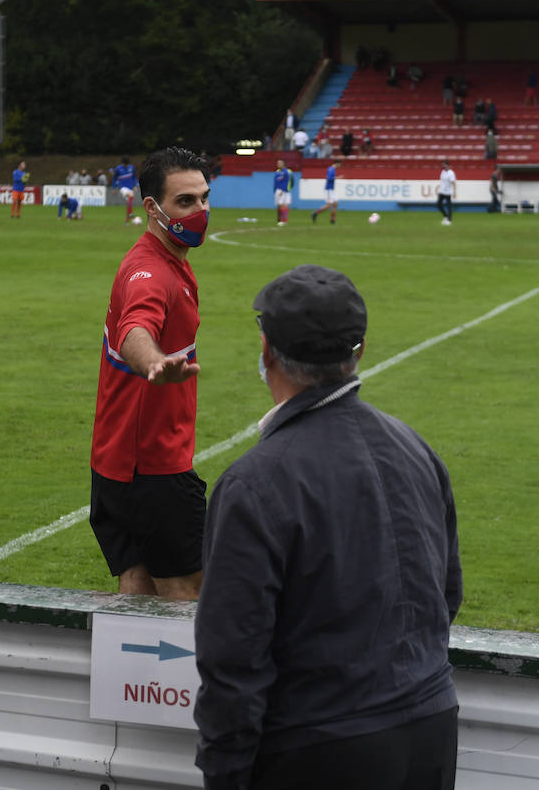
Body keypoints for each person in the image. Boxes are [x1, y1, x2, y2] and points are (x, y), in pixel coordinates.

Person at [194, 264, 462, 790]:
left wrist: (225, 771)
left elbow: (232, 656)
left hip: (320, 744)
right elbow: (444, 595)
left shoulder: (255, 482)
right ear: (358, 352)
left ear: (267, 351)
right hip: (429, 728)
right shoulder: (415, 447)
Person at [89, 147, 211, 600]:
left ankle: (127, 655)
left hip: (115, 460)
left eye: (204, 198)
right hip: (154, 465)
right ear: (152, 208)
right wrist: (154, 363)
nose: (200, 211)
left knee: (137, 583)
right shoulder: (150, 271)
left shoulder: (160, 259)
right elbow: (134, 330)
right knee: (186, 590)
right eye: (186, 201)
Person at [312, 160, 340, 224]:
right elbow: (329, 178)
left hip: (331, 190)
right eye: (339, 165)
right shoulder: (331, 169)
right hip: (329, 189)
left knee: (335, 204)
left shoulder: (333, 169)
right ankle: (315, 213)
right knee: (329, 205)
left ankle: (332, 220)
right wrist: (337, 177)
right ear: (337, 163)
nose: (339, 166)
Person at [114, 156, 138, 224]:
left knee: (129, 204)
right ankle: (131, 213)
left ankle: (127, 221)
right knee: (131, 196)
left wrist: (135, 185)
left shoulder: (132, 167)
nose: (125, 165)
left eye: (126, 164)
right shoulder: (118, 168)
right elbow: (114, 178)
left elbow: (134, 177)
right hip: (122, 187)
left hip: (130, 187)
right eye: (124, 164)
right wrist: (114, 187)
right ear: (122, 163)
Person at [272, 159, 293, 225]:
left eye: (280, 163)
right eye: (277, 163)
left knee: (284, 205)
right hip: (278, 190)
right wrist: (275, 190)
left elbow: (290, 181)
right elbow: (275, 182)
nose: (278, 164)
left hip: (284, 190)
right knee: (279, 205)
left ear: (283, 164)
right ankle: (279, 219)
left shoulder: (287, 172)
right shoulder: (277, 172)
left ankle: (284, 220)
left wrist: (284, 189)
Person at [436, 159, 455, 225]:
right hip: (442, 191)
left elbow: (453, 183)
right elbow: (442, 181)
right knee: (438, 204)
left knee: (449, 206)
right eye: (443, 165)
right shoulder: (443, 172)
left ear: (447, 165)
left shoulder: (451, 173)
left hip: (448, 192)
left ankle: (449, 220)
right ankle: (445, 216)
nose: (443, 166)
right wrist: (439, 188)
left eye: (444, 165)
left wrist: (454, 192)